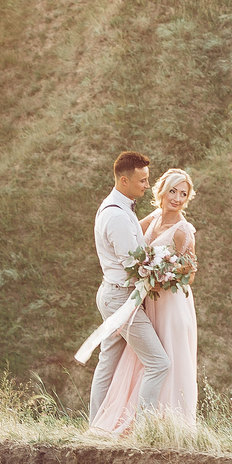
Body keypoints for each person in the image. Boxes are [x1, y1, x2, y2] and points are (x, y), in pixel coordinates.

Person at [89, 168, 199, 433]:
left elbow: (192, 274)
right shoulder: (154, 217)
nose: (177, 198)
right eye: (173, 191)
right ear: (161, 191)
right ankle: (131, 420)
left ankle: (167, 425)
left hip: (171, 304)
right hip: (149, 303)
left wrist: (164, 275)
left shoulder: (184, 231)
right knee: (144, 360)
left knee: (168, 359)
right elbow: (132, 243)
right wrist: (145, 268)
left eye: (183, 194)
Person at [88, 151, 171, 429]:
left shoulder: (119, 207)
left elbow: (134, 232)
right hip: (122, 299)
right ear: (124, 180)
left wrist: (158, 217)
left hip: (113, 294)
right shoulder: (117, 217)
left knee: (108, 364)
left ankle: (96, 427)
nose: (147, 186)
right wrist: (168, 268)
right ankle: (144, 428)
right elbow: (136, 264)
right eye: (142, 181)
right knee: (159, 363)